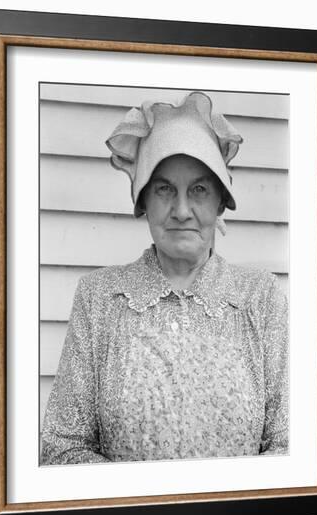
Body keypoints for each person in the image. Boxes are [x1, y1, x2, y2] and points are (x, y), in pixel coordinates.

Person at [40, 91, 288, 465]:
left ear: (221, 201)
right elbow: (62, 444)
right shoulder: (100, 299)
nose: (182, 210)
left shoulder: (260, 297)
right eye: (164, 189)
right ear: (143, 201)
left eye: (199, 190)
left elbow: (292, 445)